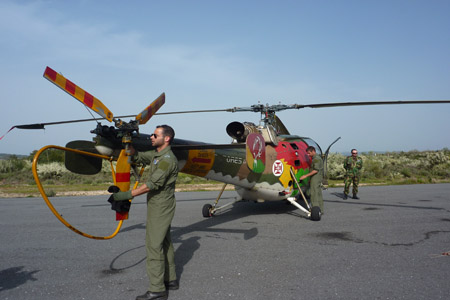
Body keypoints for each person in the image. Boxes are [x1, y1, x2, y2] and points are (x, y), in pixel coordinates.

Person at [111, 125, 178, 300]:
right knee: (165, 242)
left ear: (167, 138)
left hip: (161, 206)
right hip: (160, 204)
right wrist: (128, 145)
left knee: (153, 246)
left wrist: (124, 195)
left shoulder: (167, 160)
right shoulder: (158, 155)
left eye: (155, 135)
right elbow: (139, 156)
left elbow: (151, 185)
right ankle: (170, 279)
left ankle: (157, 290)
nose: (151, 137)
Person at [299, 146, 324, 217]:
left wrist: (305, 176)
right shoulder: (316, 158)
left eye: (309, 153)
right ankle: (320, 210)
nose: (308, 155)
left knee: (314, 194)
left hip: (315, 178)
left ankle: (315, 210)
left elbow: (315, 170)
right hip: (318, 178)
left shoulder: (316, 159)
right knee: (318, 194)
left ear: (313, 151)